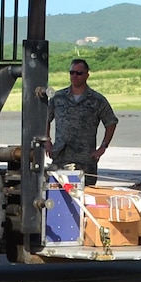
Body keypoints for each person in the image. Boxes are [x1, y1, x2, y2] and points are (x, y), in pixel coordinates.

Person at [49, 58, 118, 186]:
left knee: (86, 195)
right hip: (61, 157)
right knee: (58, 195)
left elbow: (111, 122)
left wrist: (103, 147)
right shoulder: (58, 98)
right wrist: (47, 141)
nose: (75, 76)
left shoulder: (97, 100)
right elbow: (44, 119)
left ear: (87, 75)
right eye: (72, 72)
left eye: (79, 73)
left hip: (85, 159)